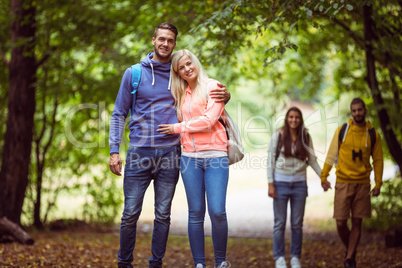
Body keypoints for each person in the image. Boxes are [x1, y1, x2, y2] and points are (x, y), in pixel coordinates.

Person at [109, 23, 230, 268]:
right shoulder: (134, 73)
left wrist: (226, 96)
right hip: (138, 153)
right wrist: (114, 150)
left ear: (174, 44)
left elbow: (203, 92)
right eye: (161, 39)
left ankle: (156, 264)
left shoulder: (179, 74)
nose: (165, 44)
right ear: (153, 40)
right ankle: (124, 263)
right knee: (130, 213)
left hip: (172, 153)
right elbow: (118, 113)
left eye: (170, 40)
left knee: (163, 214)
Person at [157, 49, 231, 268]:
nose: (187, 69)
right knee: (195, 213)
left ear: (195, 62)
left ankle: (221, 262)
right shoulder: (182, 93)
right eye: (181, 67)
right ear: (178, 73)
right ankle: (199, 264)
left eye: (189, 63)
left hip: (216, 156)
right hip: (190, 158)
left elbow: (209, 120)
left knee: (217, 211)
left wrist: (177, 128)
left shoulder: (214, 87)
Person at [321, 98, 383, 268]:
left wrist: (378, 184)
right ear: (351, 112)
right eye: (354, 110)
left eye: (360, 110)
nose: (357, 113)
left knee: (357, 222)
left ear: (365, 111)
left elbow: (378, 160)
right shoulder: (342, 131)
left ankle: (349, 259)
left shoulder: (373, 135)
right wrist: (323, 177)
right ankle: (351, 249)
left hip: (363, 185)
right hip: (343, 182)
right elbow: (331, 154)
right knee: (340, 222)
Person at [267, 107, 322, 268]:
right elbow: (270, 161)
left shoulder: (305, 136)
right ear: (287, 118)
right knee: (280, 223)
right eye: (291, 117)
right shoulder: (278, 135)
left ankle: (295, 257)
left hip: (299, 185)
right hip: (280, 183)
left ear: (300, 119)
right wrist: (270, 184)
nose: (294, 120)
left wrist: (323, 177)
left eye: (297, 117)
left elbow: (312, 160)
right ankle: (279, 258)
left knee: (297, 224)